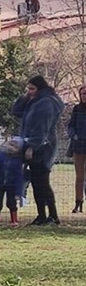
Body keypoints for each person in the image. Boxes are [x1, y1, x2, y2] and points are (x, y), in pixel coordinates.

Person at [11, 75, 64, 226]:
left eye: (32, 88)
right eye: (28, 88)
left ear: (40, 88)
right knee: (36, 181)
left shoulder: (46, 103)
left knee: (42, 182)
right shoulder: (35, 101)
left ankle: (51, 216)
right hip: (35, 144)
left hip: (43, 147)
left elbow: (42, 127)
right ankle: (43, 215)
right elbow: (16, 112)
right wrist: (25, 97)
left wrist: (32, 147)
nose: (29, 91)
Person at [0, 137, 25, 227]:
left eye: (15, 147)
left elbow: (19, 177)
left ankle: (14, 220)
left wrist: (18, 192)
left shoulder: (18, 161)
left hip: (12, 186)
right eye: (10, 145)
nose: (11, 148)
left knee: (11, 203)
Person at [67, 84, 86, 213]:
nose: (84, 96)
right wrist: (73, 134)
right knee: (79, 177)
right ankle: (78, 202)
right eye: (82, 94)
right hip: (78, 146)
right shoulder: (77, 108)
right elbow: (71, 125)